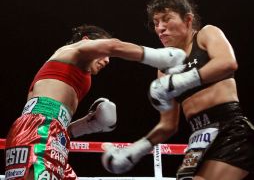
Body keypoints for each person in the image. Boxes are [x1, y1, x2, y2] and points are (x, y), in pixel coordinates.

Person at [101, 0, 254, 180]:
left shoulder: (206, 34)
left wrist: (180, 81)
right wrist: (135, 150)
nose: (160, 28)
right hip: (198, 138)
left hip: (230, 130)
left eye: (166, 19)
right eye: (156, 23)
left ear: (188, 19)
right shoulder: (164, 68)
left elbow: (227, 63)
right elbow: (168, 125)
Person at [4, 23, 187, 180]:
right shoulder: (72, 51)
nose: (107, 60)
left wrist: (89, 125)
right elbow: (114, 46)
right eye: (103, 54)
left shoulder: (79, 75)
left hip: (54, 136)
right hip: (38, 131)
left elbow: (59, 126)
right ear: (86, 41)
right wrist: (162, 58)